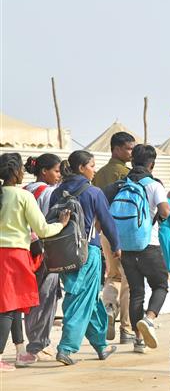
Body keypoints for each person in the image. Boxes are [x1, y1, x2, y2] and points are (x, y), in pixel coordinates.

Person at [0, 153, 69, 371]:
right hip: (16, 256)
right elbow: (43, 230)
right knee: (9, 309)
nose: (23, 172)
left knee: (15, 305)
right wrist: (62, 224)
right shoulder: (22, 197)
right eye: (20, 168)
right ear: (14, 171)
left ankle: (21, 353)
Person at [50, 151, 121, 366]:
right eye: (92, 165)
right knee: (79, 299)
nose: (94, 169)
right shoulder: (93, 192)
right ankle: (67, 348)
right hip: (87, 253)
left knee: (89, 298)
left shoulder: (57, 192)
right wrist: (116, 246)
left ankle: (101, 345)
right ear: (81, 168)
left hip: (63, 253)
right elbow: (107, 221)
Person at [104, 145, 170, 354]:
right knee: (160, 285)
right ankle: (149, 320)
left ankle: (139, 340)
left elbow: (104, 210)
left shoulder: (119, 185)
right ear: (151, 163)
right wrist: (161, 216)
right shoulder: (153, 185)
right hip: (148, 246)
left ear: (132, 162)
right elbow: (166, 211)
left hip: (126, 249)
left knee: (136, 292)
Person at [93, 131, 135, 344]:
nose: (131, 152)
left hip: (104, 233)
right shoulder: (126, 174)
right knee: (128, 281)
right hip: (124, 233)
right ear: (116, 149)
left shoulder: (98, 173)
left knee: (112, 276)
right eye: (128, 148)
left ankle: (109, 309)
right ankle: (126, 329)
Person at [22, 154, 63, 361]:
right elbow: (48, 225)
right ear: (44, 171)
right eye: (56, 171)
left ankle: (33, 342)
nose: (59, 175)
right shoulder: (48, 192)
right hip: (45, 251)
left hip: (23, 251)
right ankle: (38, 344)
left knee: (29, 297)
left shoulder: (23, 190)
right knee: (46, 296)